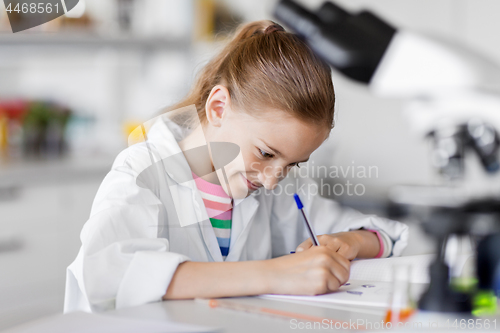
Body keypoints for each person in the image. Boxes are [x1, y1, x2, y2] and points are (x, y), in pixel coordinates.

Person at [64, 20, 409, 313]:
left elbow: (385, 234)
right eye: (266, 153)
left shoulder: (277, 190)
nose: (274, 179)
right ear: (218, 108)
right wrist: (275, 274)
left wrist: (348, 242)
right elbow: (109, 275)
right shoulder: (141, 171)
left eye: (292, 165)